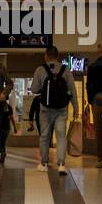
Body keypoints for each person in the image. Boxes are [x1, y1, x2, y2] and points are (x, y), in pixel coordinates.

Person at [31, 45, 78, 175]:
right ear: (57, 56)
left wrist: (44, 89)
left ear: (46, 55)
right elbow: (72, 90)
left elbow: (34, 89)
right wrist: (76, 107)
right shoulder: (66, 70)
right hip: (61, 109)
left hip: (45, 110)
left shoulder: (40, 69)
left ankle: (44, 163)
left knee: (45, 136)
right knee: (61, 136)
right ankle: (62, 165)